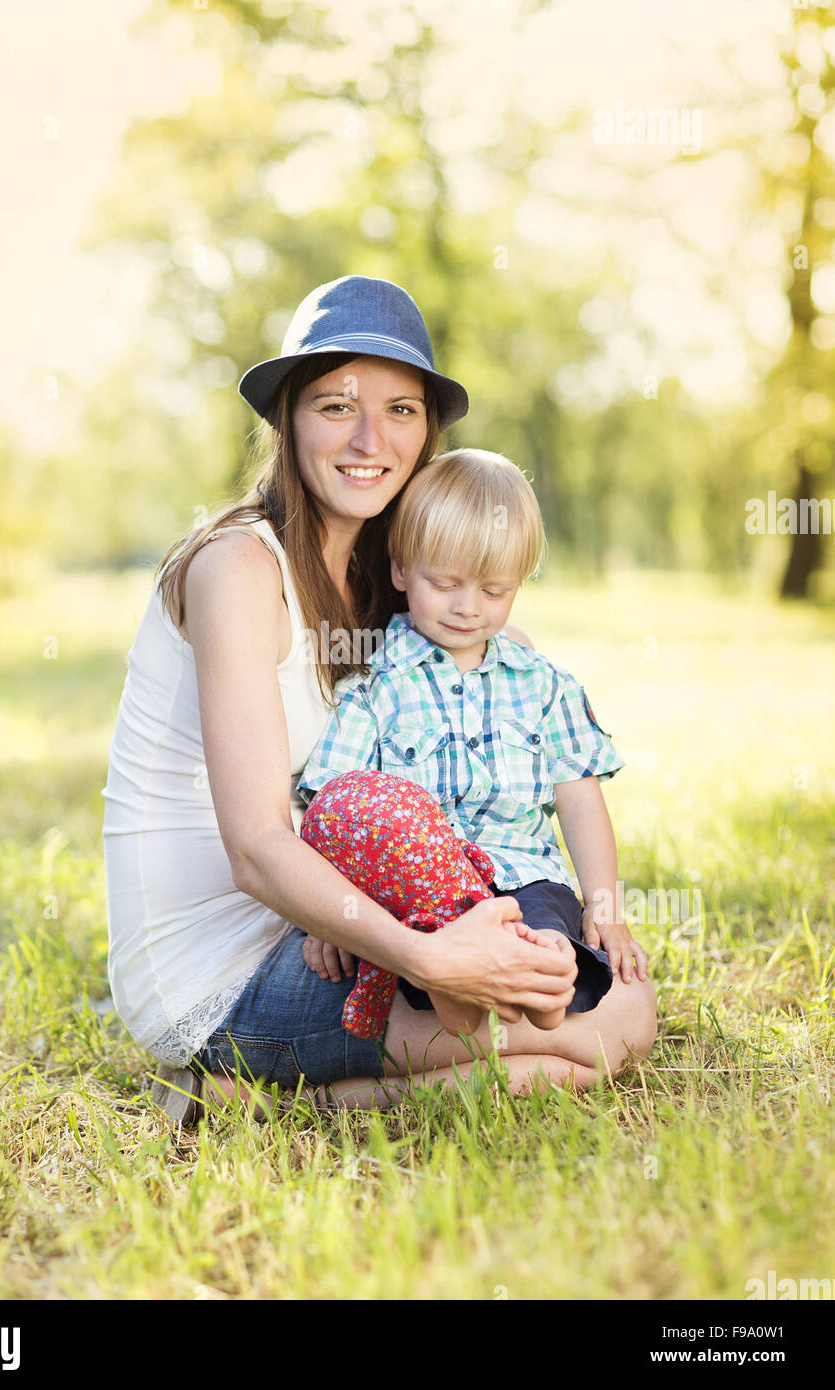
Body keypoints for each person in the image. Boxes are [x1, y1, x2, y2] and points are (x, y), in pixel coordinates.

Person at [101, 275, 656, 1118]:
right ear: (287, 418)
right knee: (598, 1028)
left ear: (427, 429)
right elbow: (255, 847)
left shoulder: (382, 579)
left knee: (618, 1019)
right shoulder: (238, 568)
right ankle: (276, 1098)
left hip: (336, 925)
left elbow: (491, 690)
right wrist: (434, 962)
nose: (370, 438)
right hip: (220, 974)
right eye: (336, 406)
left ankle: (285, 1101)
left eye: (401, 409)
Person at [296, 447, 649, 1042]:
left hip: (526, 879)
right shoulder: (375, 686)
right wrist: (329, 917)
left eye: (494, 591)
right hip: (424, 894)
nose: (468, 608)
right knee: (443, 940)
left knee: (553, 947)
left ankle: (531, 977)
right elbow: (333, 808)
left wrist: (604, 904)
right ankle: (458, 982)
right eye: (445, 583)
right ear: (401, 569)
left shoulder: (543, 684)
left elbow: (580, 801)